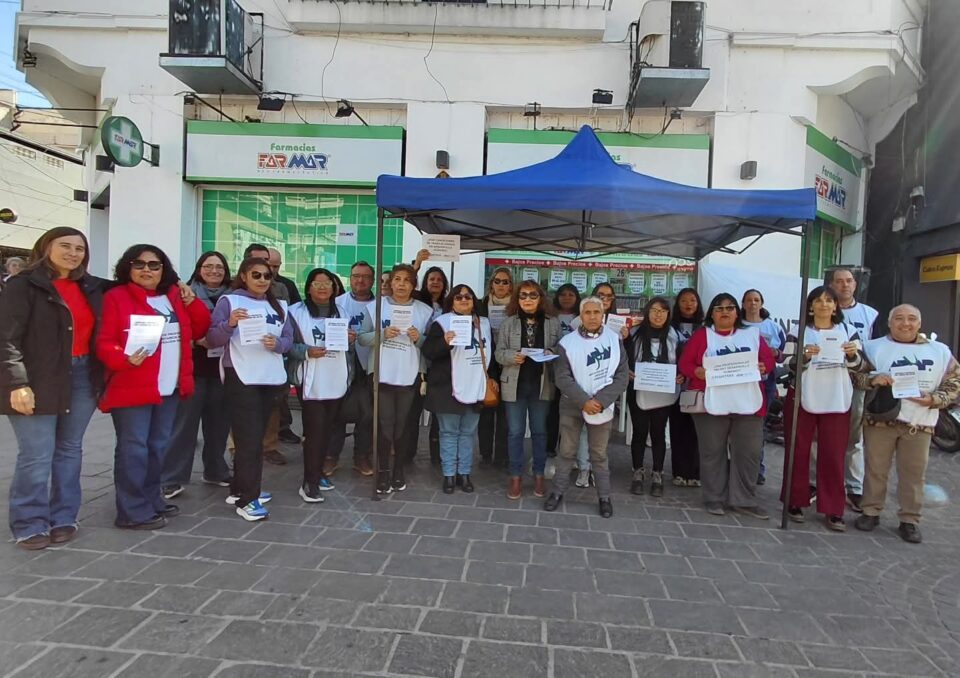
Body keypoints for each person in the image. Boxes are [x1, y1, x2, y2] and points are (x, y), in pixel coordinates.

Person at [0, 228, 106, 549]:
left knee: (69, 449)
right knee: (36, 454)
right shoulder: (24, 284)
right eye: (65, 246)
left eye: (79, 248)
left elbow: (139, 281)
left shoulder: (92, 286)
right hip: (37, 378)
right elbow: (6, 339)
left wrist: (181, 288)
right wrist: (17, 384)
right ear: (46, 247)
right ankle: (30, 523)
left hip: (83, 374)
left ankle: (63, 517)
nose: (73, 253)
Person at [97, 244, 210, 530]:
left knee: (157, 447)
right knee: (133, 449)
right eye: (140, 264)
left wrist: (191, 299)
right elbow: (104, 341)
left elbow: (199, 328)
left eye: (154, 265)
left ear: (164, 270)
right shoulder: (116, 297)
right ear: (128, 267)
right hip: (132, 385)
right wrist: (121, 359)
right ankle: (131, 510)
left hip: (168, 387)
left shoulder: (172, 296)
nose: (147, 270)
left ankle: (151, 498)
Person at [853, 304, 960, 543]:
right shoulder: (872, 347)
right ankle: (871, 511)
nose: (905, 323)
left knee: (914, 474)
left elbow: (954, 381)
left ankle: (909, 519)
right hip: (881, 420)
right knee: (875, 469)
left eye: (912, 318)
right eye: (899, 318)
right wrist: (873, 379)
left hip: (919, 422)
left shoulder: (940, 351)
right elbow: (855, 376)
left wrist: (934, 399)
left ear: (919, 323)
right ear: (890, 323)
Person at [206, 256, 293, 521]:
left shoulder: (279, 306)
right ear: (244, 276)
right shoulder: (229, 301)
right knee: (248, 440)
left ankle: (240, 487)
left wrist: (276, 344)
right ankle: (248, 499)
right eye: (257, 275)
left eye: (267, 276)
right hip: (241, 376)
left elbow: (288, 339)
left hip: (269, 377)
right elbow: (212, 339)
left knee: (254, 438)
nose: (263, 280)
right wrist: (230, 324)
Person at [678, 293, 776, 519]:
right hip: (712, 404)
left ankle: (744, 500)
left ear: (737, 312)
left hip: (749, 403)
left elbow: (768, 361)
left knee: (749, 453)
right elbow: (685, 363)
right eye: (719, 308)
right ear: (711, 313)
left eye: (730, 308)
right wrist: (696, 371)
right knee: (713, 452)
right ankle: (714, 498)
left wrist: (763, 367)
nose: (724, 312)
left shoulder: (751, 335)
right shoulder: (703, 335)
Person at [780, 286, 865, 531]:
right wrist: (804, 357)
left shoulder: (848, 331)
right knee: (797, 450)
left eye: (829, 300)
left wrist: (851, 356)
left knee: (833, 455)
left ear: (836, 306)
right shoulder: (798, 332)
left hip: (837, 398)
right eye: (818, 300)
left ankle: (833, 508)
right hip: (802, 397)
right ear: (810, 305)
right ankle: (794, 501)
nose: (824, 304)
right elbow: (786, 363)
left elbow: (861, 366)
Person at [544, 296, 629, 517]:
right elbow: (562, 377)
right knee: (566, 451)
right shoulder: (567, 342)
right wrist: (584, 400)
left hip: (602, 405)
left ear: (603, 315)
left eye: (596, 312)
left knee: (599, 455)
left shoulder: (614, 340)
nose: (592, 316)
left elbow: (621, 376)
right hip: (572, 404)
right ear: (581, 316)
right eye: (587, 312)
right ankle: (557, 492)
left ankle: (604, 497)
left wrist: (600, 401)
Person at [160, 252, 233, 500]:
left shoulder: (234, 297)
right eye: (208, 266)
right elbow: (170, 327)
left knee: (219, 425)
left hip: (223, 369)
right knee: (184, 426)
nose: (214, 271)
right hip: (193, 368)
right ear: (199, 269)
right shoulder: (184, 294)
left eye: (219, 267)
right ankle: (172, 477)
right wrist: (192, 340)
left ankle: (215, 470)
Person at [358, 263, 433, 494]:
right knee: (384, 425)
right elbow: (361, 338)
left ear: (413, 285)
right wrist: (380, 335)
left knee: (403, 426)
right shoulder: (375, 307)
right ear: (390, 283)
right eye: (397, 279)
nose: (401, 284)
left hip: (409, 375)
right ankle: (382, 471)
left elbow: (430, 344)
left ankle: (398, 470)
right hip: (382, 374)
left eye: (407, 280)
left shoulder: (424, 310)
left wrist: (418, 338)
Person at [288, 268, 358, 502]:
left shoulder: (343, 312)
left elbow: (349, 348)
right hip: (310, 379)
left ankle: (317, 472)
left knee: (328, 429)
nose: (322, 287)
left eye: (327, 283)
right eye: (317, 283)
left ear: (334, 288)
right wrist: (305, 351)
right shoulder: (295, 312)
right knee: (315, 430)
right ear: (308, 287)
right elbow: (286, 345)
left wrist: (351, 339)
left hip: (336, 377)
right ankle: (309, 482)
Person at [421, 284, 492, 494]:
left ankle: (465, 473)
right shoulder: (441, 323)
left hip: (476, 385)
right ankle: (449, 475)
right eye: (458, 297)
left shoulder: (484, 323)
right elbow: (428, 352)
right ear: (451, 301)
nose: (463, 300)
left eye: (468, 296)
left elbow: (489, 354)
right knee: (449, 432)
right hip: (448, 388)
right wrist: (444, 342)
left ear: (474, 301)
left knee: (468, 433)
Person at [496, 280, 560, 500]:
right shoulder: (508, 323)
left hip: (542, 385)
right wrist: (511, 357)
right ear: (517, 299)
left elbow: (561, 349)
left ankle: (539, 474)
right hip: (514, 385)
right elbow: (498, 354)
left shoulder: (553, 323)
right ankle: (515, 476)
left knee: (540, 432)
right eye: (523, 295)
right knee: (514, 432)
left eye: (533, 295)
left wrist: (551, 350)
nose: (528, 299)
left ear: (540, 298)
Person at [828, 267, 879, 512]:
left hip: (856, 380)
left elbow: (875, 350)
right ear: (832, 284)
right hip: (825, 378)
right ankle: (818, 483)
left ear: (855, 285)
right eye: (839, 281)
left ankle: (854, 486)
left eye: (849, 281)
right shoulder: (821, 308)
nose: (844, 285)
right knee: (822, 433)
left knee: (854, 436)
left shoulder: (870, 314)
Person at [239, 243, 292, 465]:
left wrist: (279, 344)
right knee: (242, 414)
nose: (265, 275)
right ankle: (238, 450)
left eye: (271, 268)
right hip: (241, 366)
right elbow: (217, 333)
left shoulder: (281, 290)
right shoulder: (232, 296)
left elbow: (288, 329)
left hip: (271, 362)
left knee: (273, 407)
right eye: (258, 271)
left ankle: (269, 446)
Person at [626, 297, 683, 497]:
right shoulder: (634, 334)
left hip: (663, 392)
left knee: (659, 433)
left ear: (668, 314)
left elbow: (682, 362)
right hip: (639, 390)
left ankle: (657, 473)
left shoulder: (675, 336)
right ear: (647, 312)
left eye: (663, 311)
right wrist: (627, 371)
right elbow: (623, 358)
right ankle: (637, 472)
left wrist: (681, 374)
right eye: (654, 310)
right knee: (640, 433)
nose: (658, 314)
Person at [327, 261, 377, 477]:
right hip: (341, 364)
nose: (360, 280)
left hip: (369, 365)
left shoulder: (381, 305)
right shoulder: (337, 303)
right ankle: (331, 456)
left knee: (367, 413)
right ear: (349, 278)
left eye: (365, 276)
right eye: (356, 276)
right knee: (337, 411)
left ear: (372, 280)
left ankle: (361, 456)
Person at [401, 265, 449, 466]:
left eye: (439, 279)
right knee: (413, 413)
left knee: (439, 416)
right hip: (418, 364)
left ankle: (437, 455)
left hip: (440, 366)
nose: (435, 282)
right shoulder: (418, 304)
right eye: (431, 279)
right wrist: (417, 264)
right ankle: (407, 453)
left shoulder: (449, 306)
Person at [741, 288, 786, 485]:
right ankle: (736, 465)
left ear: (762, 303)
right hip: (740, 380)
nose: (752, 303)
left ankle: (757, 468)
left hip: (765, 382)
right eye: (749, 300)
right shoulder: (738, 325)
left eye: (756, 300)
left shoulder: (773, 327)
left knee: (757, 426)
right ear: (743, 304)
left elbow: (783, 354)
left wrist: (775, 353)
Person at [477, 268, 513, 468]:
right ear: (491, 283)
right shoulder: (481, 305)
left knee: (506, 413)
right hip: (485, 361)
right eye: (498, 281)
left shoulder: (516, 307)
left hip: (508, 362)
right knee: (487, 408)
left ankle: (502, 454)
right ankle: (485, 452)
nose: (501, 285)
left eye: (506, 282)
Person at [267, 247, 301, 447]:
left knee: (280, 395)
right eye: (269, 264)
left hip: (281, 348)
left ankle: (281, 431)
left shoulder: (285, 285)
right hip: (246, 354)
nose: (272, 270)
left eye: (276, 266)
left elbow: (294, 314)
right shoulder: (238, 289)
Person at [670, 288, 703, 488]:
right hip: (676, 384)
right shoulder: (670, 326)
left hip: (698, 386)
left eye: (692, 300)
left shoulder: (706, 328)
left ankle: (695, 472)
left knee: (697, 430)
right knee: (678, 429)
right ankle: (679, 471)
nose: (688, 304)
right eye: (683, 300)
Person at [548, 284, 581, 458]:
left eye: (571, 294)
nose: (567, 298)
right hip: (553, 368)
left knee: (569, 413)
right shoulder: (550, 316)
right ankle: (550, 448)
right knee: (552, 411)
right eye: (563, 294)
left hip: (575, 371)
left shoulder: (582, 317)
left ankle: (567, 450)